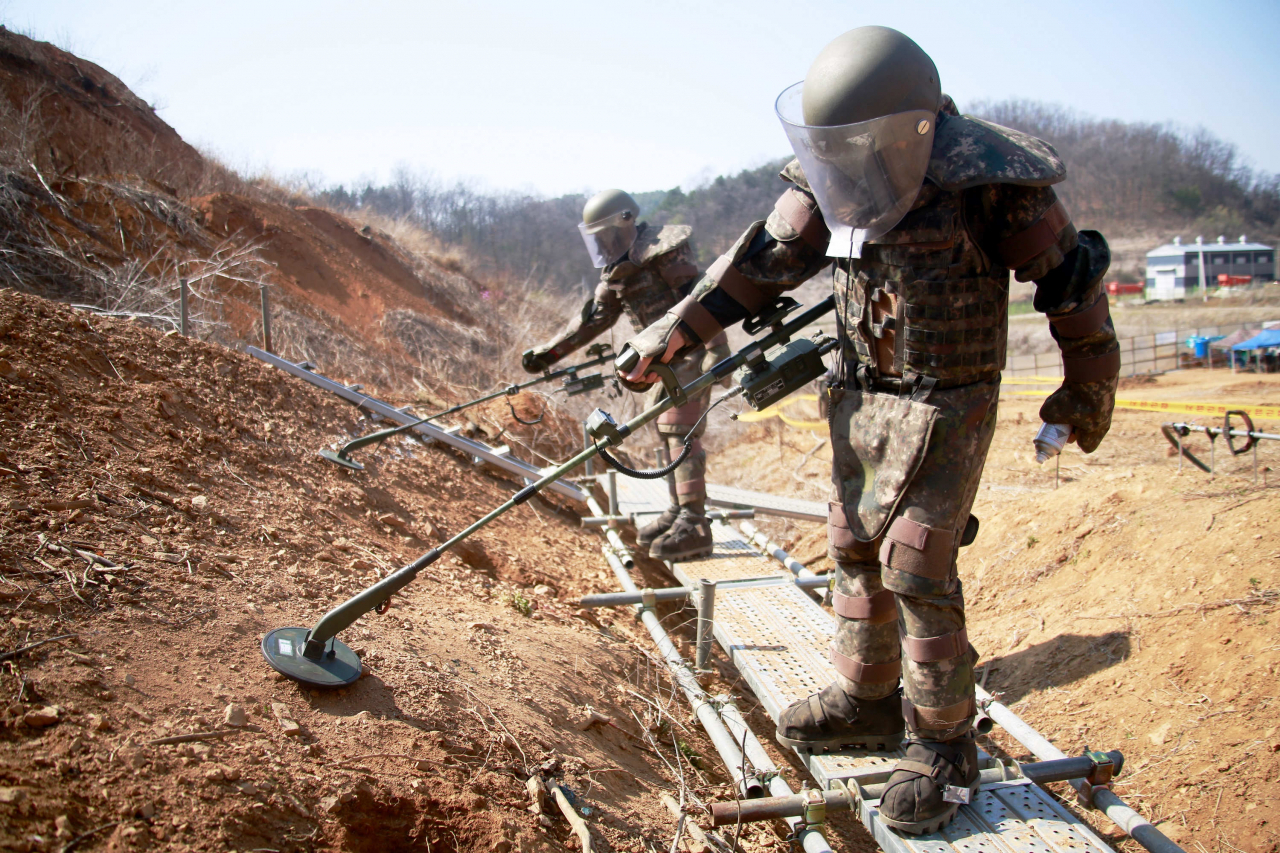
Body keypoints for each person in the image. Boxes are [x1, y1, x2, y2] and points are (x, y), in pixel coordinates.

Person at [617, 26, 1118, 835]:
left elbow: (1071, 283)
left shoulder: (988, 178)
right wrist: (668, 334)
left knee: (917, 561)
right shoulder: (831, 176)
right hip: (859, 390)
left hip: (950, 395)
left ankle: (945, 745)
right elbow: (763, 262)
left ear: (918, 124)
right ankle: (867, 695)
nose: (856, 161)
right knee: (851, 542)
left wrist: (1085, 389)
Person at [523, 189, 731, 560]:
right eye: (597, 237)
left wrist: (716, 355)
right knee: (663, 433)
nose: (603, 243)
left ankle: (695, 524)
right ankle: (679, 510)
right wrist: (549, 353)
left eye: (607, 233)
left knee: (680, 433)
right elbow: (592, 320)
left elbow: (703, 298)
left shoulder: (665, 252)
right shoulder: (618, 271)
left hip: (692, 351)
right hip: (659, 361)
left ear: (626, 222)